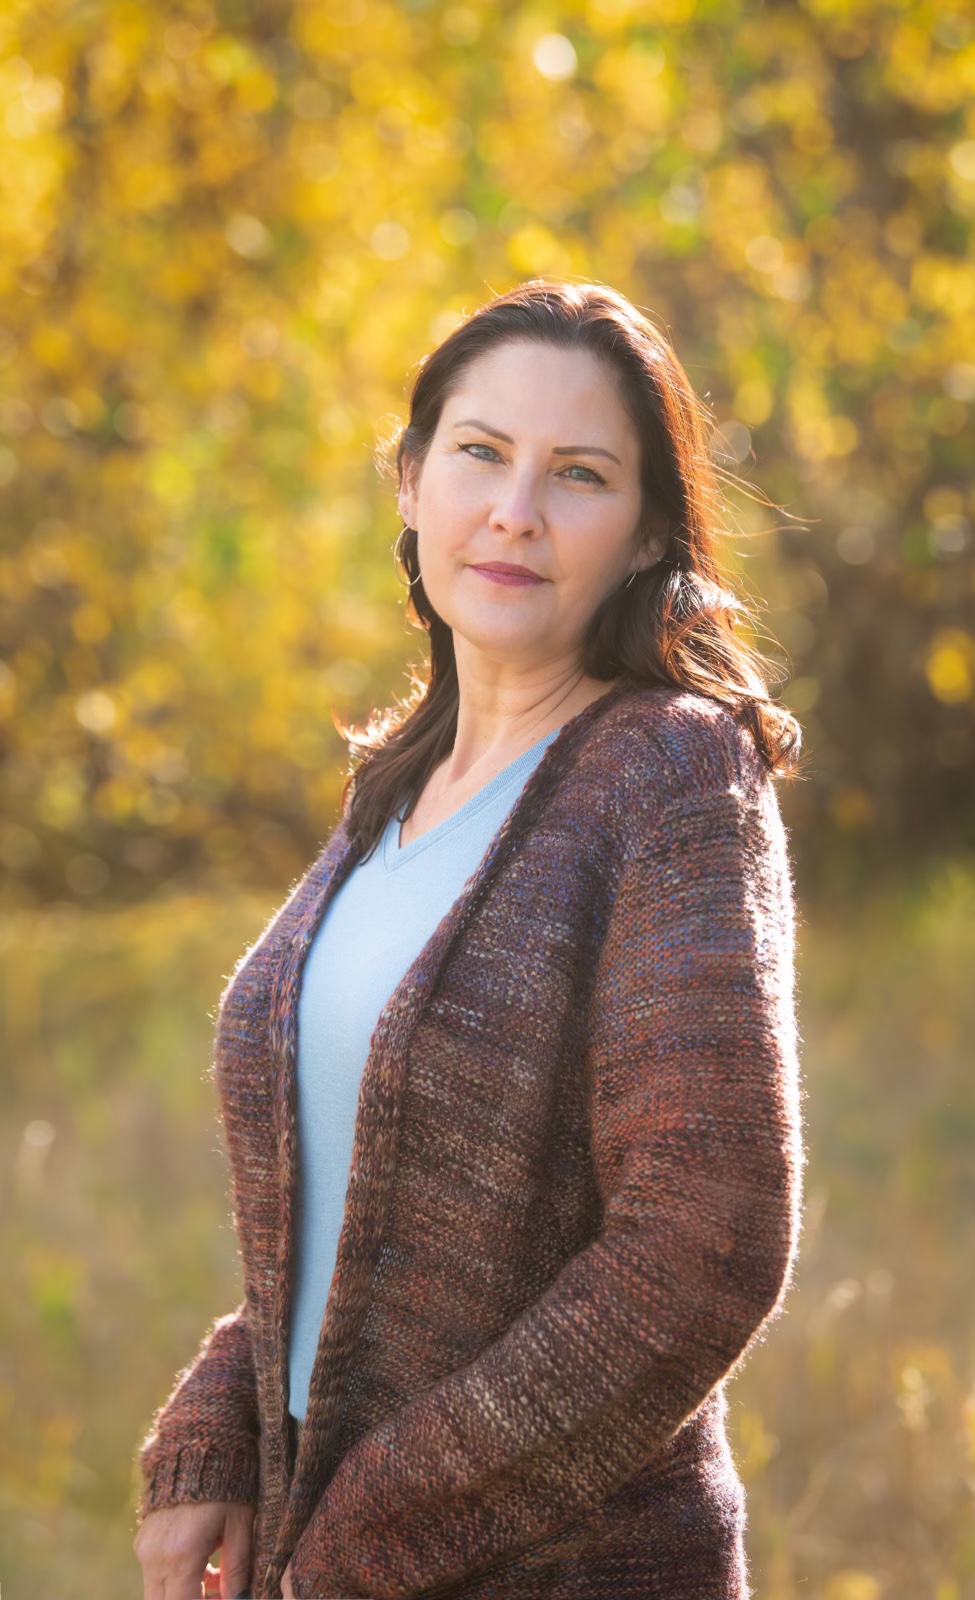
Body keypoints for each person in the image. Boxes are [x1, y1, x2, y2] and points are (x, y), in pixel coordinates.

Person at [133, 278, 807, 1600]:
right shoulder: (402, 776)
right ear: (410, 481)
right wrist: (225, 1409)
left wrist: (377, 1527)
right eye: (481, 454)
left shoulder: (670, 774)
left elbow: (706, 1237)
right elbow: (364, 1195)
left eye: (580, 475)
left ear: (647, 530)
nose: (515, 511)